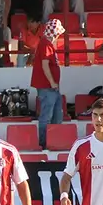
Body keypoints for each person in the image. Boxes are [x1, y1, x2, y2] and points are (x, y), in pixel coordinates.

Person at [31, 18, 64, 148]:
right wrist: (52, 82)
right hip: (48, 87)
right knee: (47, 116)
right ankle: (44, 143)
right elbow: (45, 65)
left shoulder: (46, 44)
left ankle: (54, 141)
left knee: (56, 115)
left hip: (51, 87)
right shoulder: (46, 44)